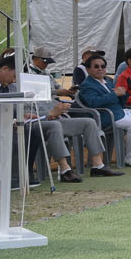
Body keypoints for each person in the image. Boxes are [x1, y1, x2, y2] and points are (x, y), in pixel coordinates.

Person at [24, 46, 117, 178]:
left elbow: (57, 87)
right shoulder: (27, 75)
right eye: (44, 61)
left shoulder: (46, 73)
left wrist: (66, 91)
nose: (46, 65)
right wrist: (52, 105)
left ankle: (98, 165)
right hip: (40, 117)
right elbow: (35, 96)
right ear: (35, 59)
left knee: (89, 122)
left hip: (56, 112)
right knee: (55, 125)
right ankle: (65, 169)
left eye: (48, 62)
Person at [79, 53, 131, 166]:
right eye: (96, 66)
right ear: (88, 69)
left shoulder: (107, 81)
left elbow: (120, 101)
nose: (100, 69)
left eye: (103, 66)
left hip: (121, 113)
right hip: (106, 116)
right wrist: (115, 94)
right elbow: (94, 102)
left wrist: (123, 94)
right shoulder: (87, 85)